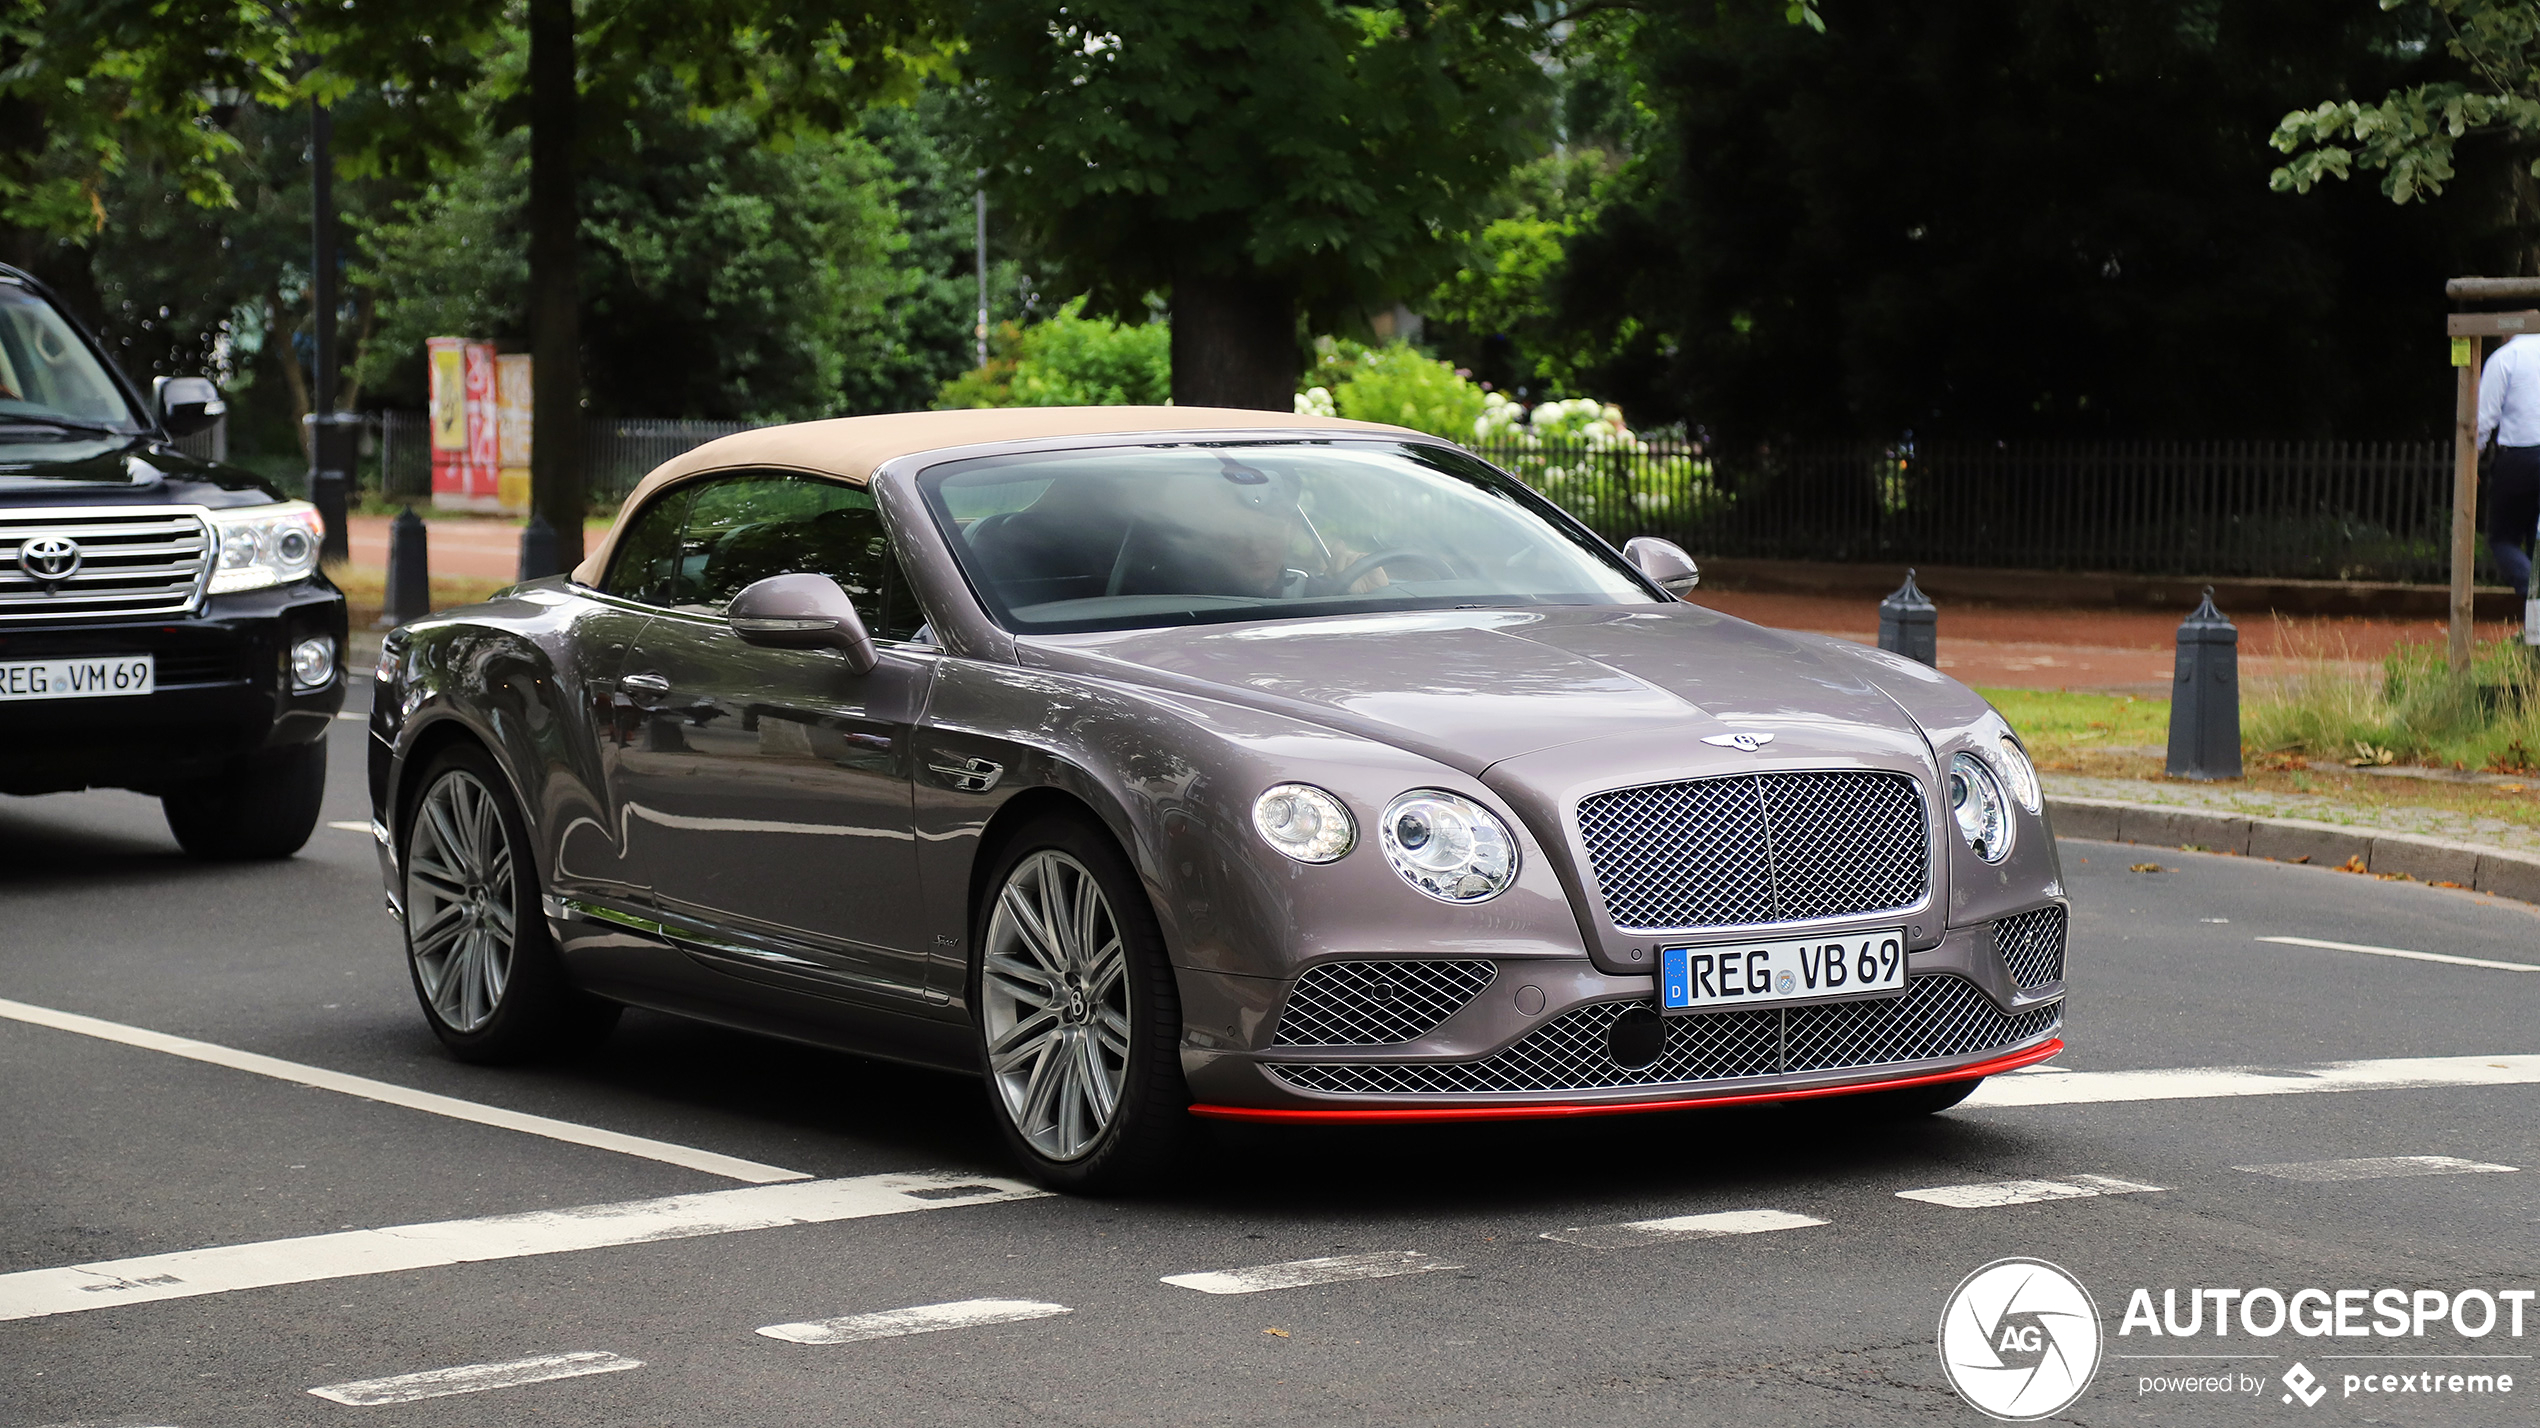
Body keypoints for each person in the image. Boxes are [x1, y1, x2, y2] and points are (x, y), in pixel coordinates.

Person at [2477, 332, 2540, 603]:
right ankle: (2534, 635)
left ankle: (2537, 597)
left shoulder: (2505, 356)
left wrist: (2472, 460)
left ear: (2505, 334)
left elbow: (2483, 419)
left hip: (2519, 456)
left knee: (2503, 540)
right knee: (2536, 545)